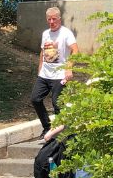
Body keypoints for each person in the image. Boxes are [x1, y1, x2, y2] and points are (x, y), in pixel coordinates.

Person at [30, 8, 78, 136]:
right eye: (49, 19)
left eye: (54, 19)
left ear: (59, 19)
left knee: (57, 103)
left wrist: (69, 68)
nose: (52, 21)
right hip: (45, 74)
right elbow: (42, 51)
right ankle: (47, 127)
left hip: (59, 75)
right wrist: (40, 68)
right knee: (35, 99)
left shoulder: (66, 33)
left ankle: (63, 133)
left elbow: (75, 50)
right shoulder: (45, 33)